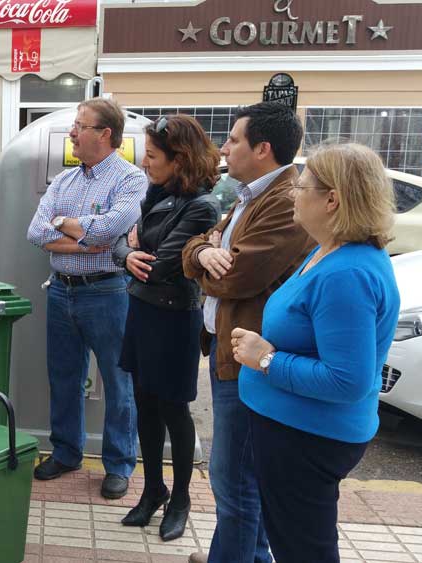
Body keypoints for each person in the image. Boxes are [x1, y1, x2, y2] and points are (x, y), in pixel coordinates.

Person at [231, 143, 400, 563]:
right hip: (291, 430)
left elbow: (348, 380)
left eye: (301, 185)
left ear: (332, 199)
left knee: (304, 549)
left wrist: (266, 360)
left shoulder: (348, 273)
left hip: (307, 438)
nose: (293, 192)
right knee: (292, 541)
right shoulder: (330, 250)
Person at [181, 102, 314, 563]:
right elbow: (197, 248)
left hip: (247, 356)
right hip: (229, 349)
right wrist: (202, 253)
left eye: (234, 140)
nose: (224, 148)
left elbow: (237, 276)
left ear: (263, 148)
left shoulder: (285, 201)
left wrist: (205, 261)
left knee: (234, 480)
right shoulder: (249, 194)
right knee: (240, 478)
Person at [26, 97, 148, 499]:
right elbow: (36, 233)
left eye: (80, 126)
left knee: (118, 380)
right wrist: (86, 242)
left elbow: (112, 227)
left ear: (105, 133)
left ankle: (118, 464)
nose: (72, 133)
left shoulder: (131, 180)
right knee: (63, 376)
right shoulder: (64, 180)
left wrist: (67, 228)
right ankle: (66, 452)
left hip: (109, 292)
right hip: (62, 291)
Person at [112, 115, 220, 541]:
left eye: (153, 157)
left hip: (175, 318)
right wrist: (126, 254)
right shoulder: (156, 193)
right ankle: (152, 489)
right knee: (145, 404)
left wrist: (138, 253)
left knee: (174, 409)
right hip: (142, 312)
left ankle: (180, 497)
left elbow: (163, 266)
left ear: (180, 160)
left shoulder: (202, 206)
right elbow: (126, 241)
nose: (145, 165)